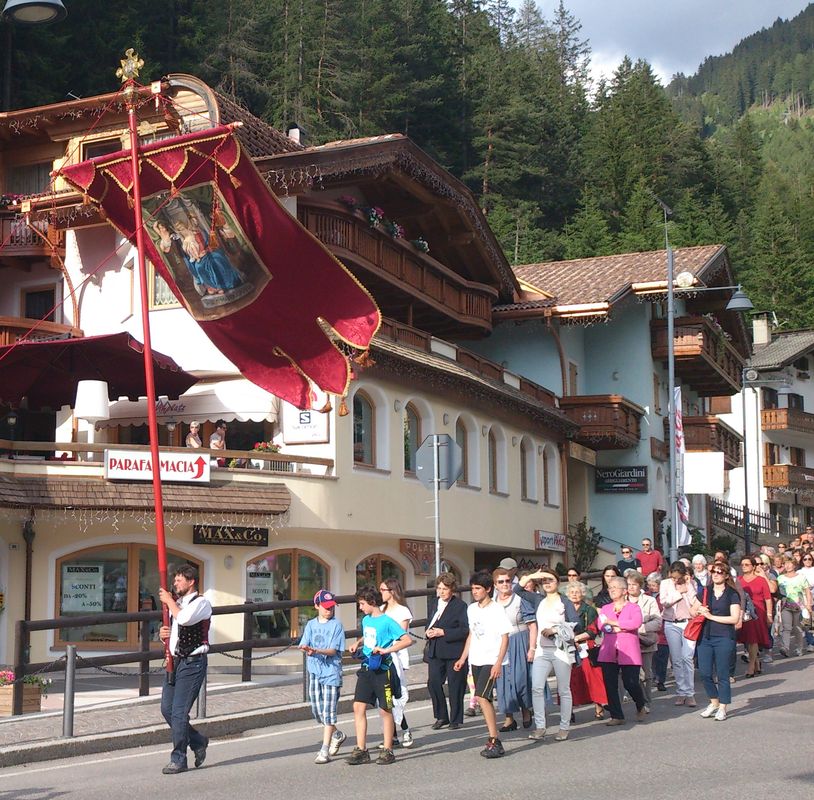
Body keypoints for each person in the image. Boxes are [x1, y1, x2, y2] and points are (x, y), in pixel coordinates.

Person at [346, 586, 412, 765]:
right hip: (367, 668)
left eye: (362, 604)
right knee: (358, 706)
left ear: (372, 602)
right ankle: (361, 749)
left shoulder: (388, 621)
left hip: (383, 670)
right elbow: (367, 636)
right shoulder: (366, 620)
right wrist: (357, 643)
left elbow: (407, 640)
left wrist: (386, 650)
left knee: (385, 709)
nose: (360, 608)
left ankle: (388, 749)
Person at [158, 565, 212, 775]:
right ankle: (197, 740)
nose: (175, 583)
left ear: (191, 582)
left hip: (193, 662)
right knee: (167, 709)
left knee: (179, 712)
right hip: (176, 662)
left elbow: (185, 619)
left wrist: (169, 601)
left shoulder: (202, 603)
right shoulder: (177, 605)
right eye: (175, 580)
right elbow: (176, 630)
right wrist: (164, 635)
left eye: (180, 580)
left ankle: (178, 758)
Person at [515, 567, 578, 742]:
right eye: (544, 581)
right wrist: (534, 575)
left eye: (550, 580)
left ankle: (564, 727)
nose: (547, 583)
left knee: (563, 689)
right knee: (536, 687)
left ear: (558, 582)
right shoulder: (538, 599)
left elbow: (576, 624)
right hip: (542, 650)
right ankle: (540, 726)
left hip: (560, 649)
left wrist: (555, 629)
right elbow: (517, 589)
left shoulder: (564, 601)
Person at [453, 571, 511, 759]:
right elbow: (472, 634)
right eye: (473, 589)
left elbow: (505, 637)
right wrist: (463, 658)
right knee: (482, 698)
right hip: (476, 659)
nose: (475, 592)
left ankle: (494, 739)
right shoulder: (472, 609)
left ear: (488, 589)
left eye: (478, 588)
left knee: (482, 696)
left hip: (491, 659)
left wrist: (499, 662)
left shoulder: (497, 610)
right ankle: (493, 736)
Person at [298, 590, 346, 763]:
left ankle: (324, 750)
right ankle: (338, 734)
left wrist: (316, 650)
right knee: (317, 712)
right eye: (326, 607)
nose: (329, 610)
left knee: (328, 711)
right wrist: (304, 648)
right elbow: (304, 642)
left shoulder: (337, 625)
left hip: (331, 672)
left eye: (331, 607)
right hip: (314, 671)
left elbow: (334, 650)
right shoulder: (310, 625)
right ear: (316, 605)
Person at [596, 576, 648, 726]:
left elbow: (635, 623)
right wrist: (619, 627)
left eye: (614, 587)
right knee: (610, 683)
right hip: (609, 650)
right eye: (609, 588)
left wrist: (614, 623)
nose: (611, 590)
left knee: (630, 682)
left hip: (629, 651)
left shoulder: (633, 607)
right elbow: (602, 625)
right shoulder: (606, 608)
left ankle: (640, 704)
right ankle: (617, 715)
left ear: (624, 591)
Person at [694, 561, 741, 721]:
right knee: (705, 673)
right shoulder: (705, 591)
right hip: (705, 637)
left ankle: (723, 707)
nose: (716, 574)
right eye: (713, 571)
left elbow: (734, 618)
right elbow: (692, 609)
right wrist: (699, 610)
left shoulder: (732, 594)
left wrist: (711, 616)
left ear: (726, 575)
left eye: (720, 572)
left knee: (722, 674)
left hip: (724, 637)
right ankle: (714, 702)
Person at [424, 572, 469, 730]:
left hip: (454, 651)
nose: (441, 592)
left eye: (445, 589)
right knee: (433, 682)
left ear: (452, 590)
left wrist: (444, 632)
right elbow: (429, 623)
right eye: (439, 588)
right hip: (436, 650)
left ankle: (455, 718)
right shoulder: (434, 603)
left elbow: (464, 630)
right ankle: (441, 715)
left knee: (455, 685)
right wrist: (428, 632)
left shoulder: (460, 606)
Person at [492, 567, 533, 731]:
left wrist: (532, 647)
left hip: (519, 640)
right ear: (495, 585)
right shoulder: (493, 603)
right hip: (500, 643)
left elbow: (532, 625)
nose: (504, 584)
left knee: (520, 679)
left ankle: (525, 711)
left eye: (507, 581)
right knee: (502, 682)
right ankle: (509, 718)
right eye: (500, 582)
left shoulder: (519, 599)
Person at [379, 578, 414, 747]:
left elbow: (401, 635)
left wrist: (386, 645)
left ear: (391, 591)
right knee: (385, 696)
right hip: (380, 656)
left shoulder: (402, 611)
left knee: (395, 694)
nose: (381, 593)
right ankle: (391, 735)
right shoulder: (380, 610)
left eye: (383, 590)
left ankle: (405, 730)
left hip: (395, 656)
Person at [566, 581, 608, 720]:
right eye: (572, 592)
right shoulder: (563, 609)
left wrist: (576, 638)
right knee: (570, 680)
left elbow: (593, 631)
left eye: (577, 592)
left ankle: (598, 707)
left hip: (586, 646)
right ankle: (568, 711)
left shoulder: (589, 610)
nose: (574, 594)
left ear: (582, 594)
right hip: (568, 646)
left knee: (593, 678)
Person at [659, 561, 699, 706]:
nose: (675, 580)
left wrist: (688, 586)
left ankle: (690, 693)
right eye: (673, 577)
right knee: (676, 659)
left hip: (688, 622)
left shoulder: (691, 584)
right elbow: (664, 602)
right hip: (671, 623)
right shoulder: (665, 584)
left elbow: (694, 601)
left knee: (687, 657)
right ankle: (681, 691)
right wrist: (678, 592)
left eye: (678, 577)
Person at [626, 571, 661, 712]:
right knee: (633, 674)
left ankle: (647, 702)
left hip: (645, 641)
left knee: (646, 674)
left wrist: (639, 627)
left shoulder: (649, 600)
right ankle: (638, 701)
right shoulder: (623, 601)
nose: (631, 587)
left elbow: (658, 622)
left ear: (640, 585)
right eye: (628, 585)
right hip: (628, 642)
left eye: (634, 584)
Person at [737, 556, 772, 678]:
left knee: (753, 638)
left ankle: (751, 666)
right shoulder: (739, 580)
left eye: (747, 564)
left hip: (758, 611)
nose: (744, 567)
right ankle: (757, 662)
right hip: (743, 610)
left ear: (753, 566)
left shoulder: (761, 580)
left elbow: (768, 598)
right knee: (748, 638)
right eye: (742, 565)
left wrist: (769, 614)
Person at [776, 554, 813, 657]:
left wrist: (808, 604)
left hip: (799, 606)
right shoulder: (780, 578)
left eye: (790, 563)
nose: (787, 566)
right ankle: (785, 647)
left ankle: (799, 648)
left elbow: (807, 590)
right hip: (785, 606)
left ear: (794, 565)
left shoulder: (801, 577)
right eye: (785, 564)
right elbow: (776, 591)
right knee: (786, 627)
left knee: (797, 628)